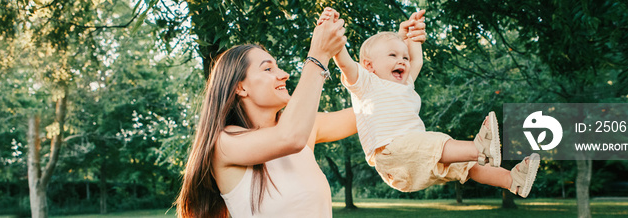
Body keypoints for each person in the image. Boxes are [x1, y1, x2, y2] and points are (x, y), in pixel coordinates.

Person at [328, 9, 541, 197]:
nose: (402, 60)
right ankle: (479, 148)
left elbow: (416, 60)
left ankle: (512, 180)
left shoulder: (405, 85)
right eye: (392, 55)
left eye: (404, 57)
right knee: (435, 142)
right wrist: (333, 35)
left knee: (465, 165)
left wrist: (413, 37)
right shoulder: (365, 83)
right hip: (391, 155)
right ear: (368, 65)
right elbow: (345, 63)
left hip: (417, 157)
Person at [175, 8, 353, 218]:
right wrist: (319, 55)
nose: (284, 75)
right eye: (268, 69)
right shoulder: (223, 143)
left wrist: (397, 53)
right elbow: (290, 137)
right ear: (240, 88)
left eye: (278, 67)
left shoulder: (304, 128)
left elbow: (369, 112)